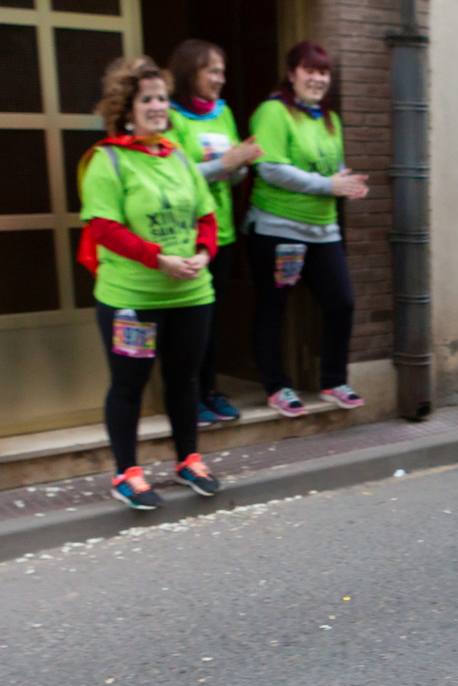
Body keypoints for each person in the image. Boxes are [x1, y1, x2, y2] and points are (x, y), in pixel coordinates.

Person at [76, 56, 222, 509]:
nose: (159, 106)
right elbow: (104, 228)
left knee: (184, 381)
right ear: (127, 108)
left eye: (162, 98)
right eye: (147, 99)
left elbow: (207, 215)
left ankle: (188, 459)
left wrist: (201, 253)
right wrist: (159, 260)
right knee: (129, 384)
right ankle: (127, 473)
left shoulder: (177, 156)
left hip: (191, 293)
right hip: (133, 298)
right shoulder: (107, 161)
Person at [246, 40, 370, 417]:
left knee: (342, 302)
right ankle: (276, 386)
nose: (317, 79)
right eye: (310, 70)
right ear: (292, 74)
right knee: (274, 307)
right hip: (277, 230)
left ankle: (333, 379)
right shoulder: (273, 112)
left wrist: (346, 182)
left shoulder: (330, 120)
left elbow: (329, 169)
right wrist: (328, 186)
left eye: (323, 72)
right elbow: (270, 168)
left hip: (322, 230)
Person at [167, 38, 263, 427]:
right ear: (191, 73)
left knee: (212, 321)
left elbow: (233, 173)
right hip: (183, 236)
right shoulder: (171, 118)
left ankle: (210, 390)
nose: (221, 80)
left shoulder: (222, 113)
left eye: (222, 71)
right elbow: (176, 175)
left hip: (220, 232)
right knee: (189, 325)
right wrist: (226, 162)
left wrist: (240, 163)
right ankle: (189, 396)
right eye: (213, 71)